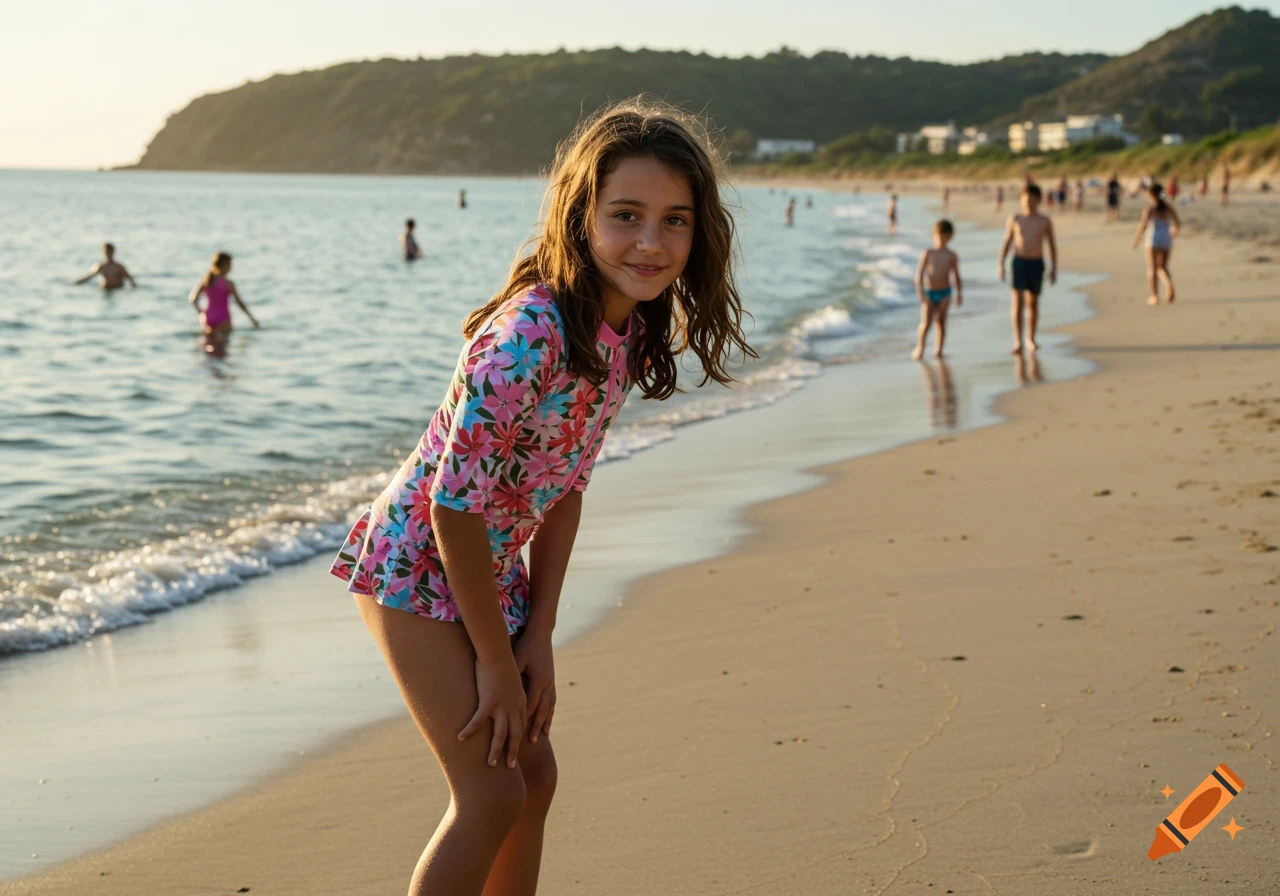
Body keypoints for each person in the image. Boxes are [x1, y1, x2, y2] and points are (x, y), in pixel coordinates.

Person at [328, 98, 754, 896]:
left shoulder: (620, 333)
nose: (651, 243)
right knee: (490, 791)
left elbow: (564, 490)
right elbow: (451, 508)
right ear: (580, 216)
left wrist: (540, 632)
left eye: (675, 221)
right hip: (413, 563)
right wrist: (495, 657)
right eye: (626, 216)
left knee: (536, 776)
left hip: (488, 572)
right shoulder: (529, 336)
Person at [998, 184, 1057, 354]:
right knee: (1017, 303)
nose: (1029, 203)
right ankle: (1018, 341)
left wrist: (1054, 268)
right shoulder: (1015, 219)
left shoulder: (1044, 221)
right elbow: (1007, 241)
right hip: (1019, 262)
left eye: (1032, 200)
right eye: (1026, 200)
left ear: (1039, 200)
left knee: (1033, 303)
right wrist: (1000, 264)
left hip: (1036, 263)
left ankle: (1030, 338)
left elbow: (1052, 245)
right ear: (1021, 200)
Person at [912, 219, 963, 360]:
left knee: (941, 321)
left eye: (944, 236)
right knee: (925, 323)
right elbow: (919, 275)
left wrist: (959, 294)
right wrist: (920, 292)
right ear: (933, 235)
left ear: (950, 237)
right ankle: (920, 347)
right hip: (929, 292)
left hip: (945, 292)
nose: (941, 239)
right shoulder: (928, 253)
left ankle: (939, 349)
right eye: (938, 236)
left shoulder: (951, 255)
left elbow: (957, 276)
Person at [188, 252, 259, 342]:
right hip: (223, 317)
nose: (231, 267)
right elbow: (239, 303)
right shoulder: (228, 283)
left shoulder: (206, 281)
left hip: (208, 317)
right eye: (230, 264)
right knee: (223, 348)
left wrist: (201, 313)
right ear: (225, 265)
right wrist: (252, 319)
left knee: (208, 345)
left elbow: (193, 299)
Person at [1131, 183, 1181, 306]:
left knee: (1152, 268)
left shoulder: (1150, 209)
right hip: (1166, 238)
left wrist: (1136, 239)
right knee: (1163, 267)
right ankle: (1168, 284)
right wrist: (1173, 232)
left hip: (1153, 239)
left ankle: (1154, 296)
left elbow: (1143, 225)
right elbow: (1177, 223)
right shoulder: (1168, 207)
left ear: (1152, 195)